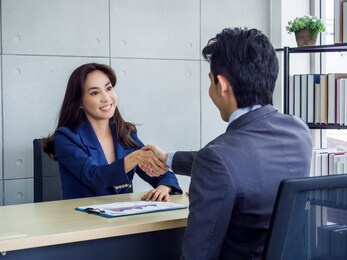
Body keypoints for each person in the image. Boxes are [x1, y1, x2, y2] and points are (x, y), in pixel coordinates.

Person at [140, 27, 312, 260]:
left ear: (222, 85)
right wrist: (168, 158)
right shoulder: (298, 131)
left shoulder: (219, 158)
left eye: (210, 82)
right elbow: (245, 165)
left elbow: (197, 255)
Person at [42, 63, 182, 201]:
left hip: (122, 218)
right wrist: (134, 158)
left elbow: (162, 174)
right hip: (82, 219)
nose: (106, 98)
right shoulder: (66, 138)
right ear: (79, 102)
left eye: (109, 88)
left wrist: (163, 188)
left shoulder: (125, 133)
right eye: (95, 93)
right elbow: (94, 176)